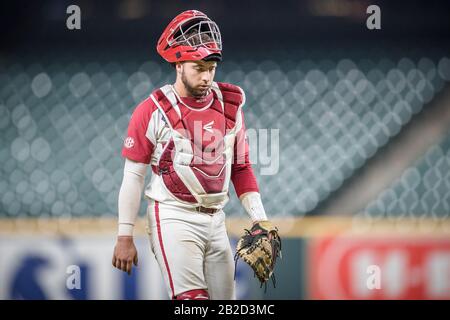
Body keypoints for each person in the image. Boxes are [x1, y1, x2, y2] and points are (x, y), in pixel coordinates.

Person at [112, 9, 277, 300]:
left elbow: (241, 167)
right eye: (198, 67)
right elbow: (133, 176)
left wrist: (259, 219)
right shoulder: (152, 110)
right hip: (173, 216)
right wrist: (125, 235)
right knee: (192, 302)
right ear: (178, 64)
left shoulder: (229, 104)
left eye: (211, 67)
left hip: (216, 220)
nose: (206, 76)